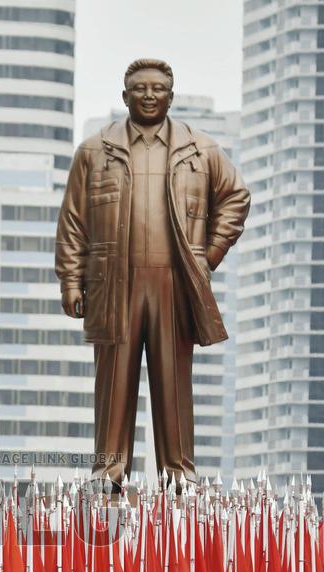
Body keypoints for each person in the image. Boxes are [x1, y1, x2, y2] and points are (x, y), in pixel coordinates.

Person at [56, 58, 249, 487]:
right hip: (112, 283)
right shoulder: (93, 151)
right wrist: (71, 280)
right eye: (139, 89)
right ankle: (108, 472)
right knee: (113, 385)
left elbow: (237, 197)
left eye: (157, 88)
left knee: (174, 382)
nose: (148, 95)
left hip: (175, 283)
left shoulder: (202, 149)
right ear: (124, 97)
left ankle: (179, 473)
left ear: (170, 96)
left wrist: (207, 256)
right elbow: (72, 220)